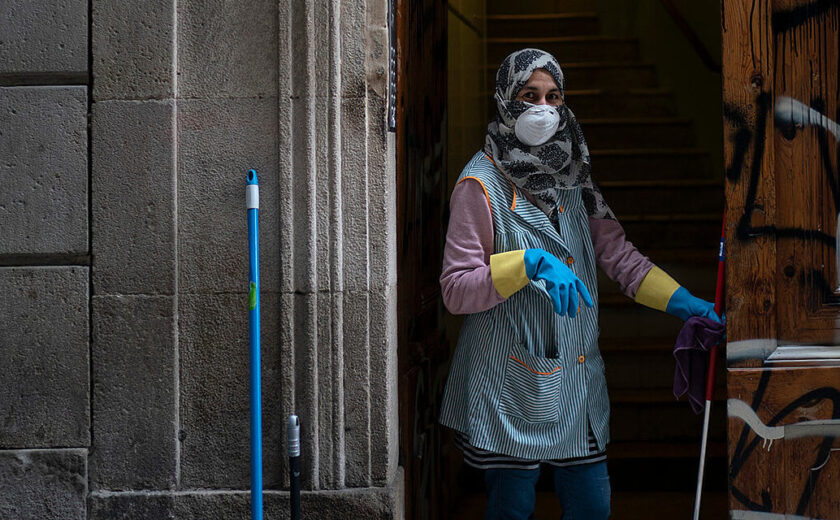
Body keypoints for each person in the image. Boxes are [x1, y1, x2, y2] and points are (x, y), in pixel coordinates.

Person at [438, 49, 721, 519]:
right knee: (512, 507)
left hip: (575, 379)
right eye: (529, 96)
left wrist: (684, 303)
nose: (543, 109)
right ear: (505, 101)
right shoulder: (479, 184)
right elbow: (456, 288)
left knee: (592, 505)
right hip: (510, 383)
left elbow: (618, 256)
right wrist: (528, 263)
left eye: (553, 97)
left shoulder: (574, 177)